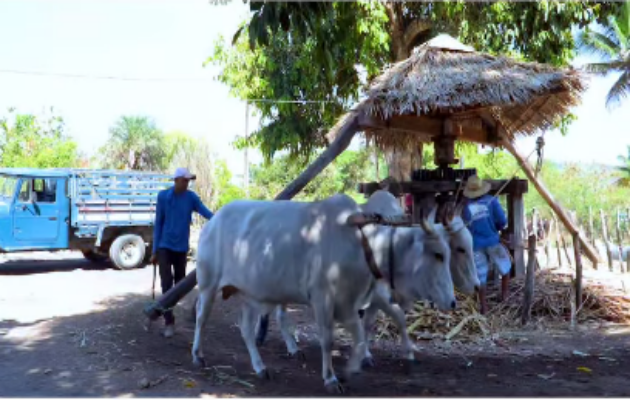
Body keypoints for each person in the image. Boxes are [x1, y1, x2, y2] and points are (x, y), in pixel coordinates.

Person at [150, 167, 214, 338]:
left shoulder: (191, 197)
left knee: (180, 283)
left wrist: (221, 219)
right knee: (166, 283)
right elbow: (158, 223)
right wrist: (154, 250)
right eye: (184, 180)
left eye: (188, 181)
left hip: (181, 247)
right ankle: (169, 322)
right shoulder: (163, 196)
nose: (187, 183)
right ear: (176, 180)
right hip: (164, 245)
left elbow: (206, 212)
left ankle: (176, 309)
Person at [461, 175, 511, 315]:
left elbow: (466, 227)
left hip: (475, 244)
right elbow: (502, 221)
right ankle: (505, 296)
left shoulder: (467, 207)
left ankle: (484, 307)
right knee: (505, 267)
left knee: (480, 275)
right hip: (493, 241)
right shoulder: (492, 201)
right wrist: (496, 228)